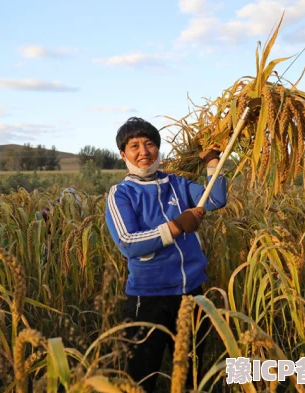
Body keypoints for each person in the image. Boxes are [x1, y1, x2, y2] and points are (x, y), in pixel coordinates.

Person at [104, 117, 226, 392]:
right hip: (148, 298)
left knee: (192, 374)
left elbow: (215, 198)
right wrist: (177, 226)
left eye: (149, 144)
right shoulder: (121, 193)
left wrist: (212, 161)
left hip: (192, 294)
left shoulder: (177, 185)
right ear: (123, 154)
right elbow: (128, 241)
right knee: (142, 377)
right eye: (134, 146)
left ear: (158, 150)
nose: (143, 151)